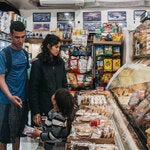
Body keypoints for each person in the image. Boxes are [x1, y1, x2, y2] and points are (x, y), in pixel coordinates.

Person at [0, 21, 29, 150]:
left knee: (18, 134)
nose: (20, 40)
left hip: (21, 101)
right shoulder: (3, 54)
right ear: (11, 35)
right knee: (3, 136)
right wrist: (10, 96)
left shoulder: (25, 54)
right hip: (6, 101)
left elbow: (26, 75)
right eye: (17, 37)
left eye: (23, 37)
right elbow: (0, 79)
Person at [29, 34, 68, 126]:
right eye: (56, 47)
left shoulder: (60, 63)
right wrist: (35, 111)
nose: (58, 49)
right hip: (43, 107)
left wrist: (66, 103)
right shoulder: (38, 63)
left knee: (56, 134)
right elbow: (33, 89)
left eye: (59, 47)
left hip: (58, 107)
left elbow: (64, 84)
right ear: (48, 46)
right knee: (42, 135)